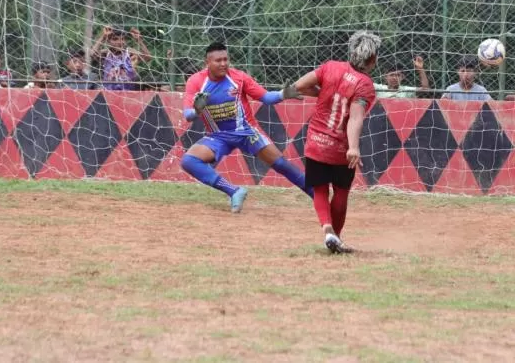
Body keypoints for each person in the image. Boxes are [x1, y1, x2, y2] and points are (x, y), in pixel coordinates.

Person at [180, 41, 311, 213]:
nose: (223, 64)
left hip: (247, 132)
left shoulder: (238, 77)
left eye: (226, 59)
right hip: (218, 136)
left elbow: (265, 97)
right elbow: (187, 115)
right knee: (189, 161)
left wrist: (282, 94)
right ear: (207, 62)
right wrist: (197, 110)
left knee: (281, 165)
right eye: (218, 60)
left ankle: (318, 197)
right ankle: (234, 191)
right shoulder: (196, 82)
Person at [288, 31, 380, 254]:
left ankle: (327, 229)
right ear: (372, 59)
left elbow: (298, 86)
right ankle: (336, 237)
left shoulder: (330, 67)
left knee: (319, 189)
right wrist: (353, 147)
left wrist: (323, 94)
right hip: (339, 146)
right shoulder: (365, 84)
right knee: (341, 192)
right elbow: (355, 117)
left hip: (316, 140)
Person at [91, 26, 152, 91]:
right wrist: (103, 37)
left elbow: (147, 57)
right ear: (108, 41)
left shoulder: (130, 53)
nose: (120, 42)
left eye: (122, 39)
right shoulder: (106, 53)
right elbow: (92, 54)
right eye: (115, 39)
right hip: (109, 93)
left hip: (128, 93)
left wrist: (139, 40)